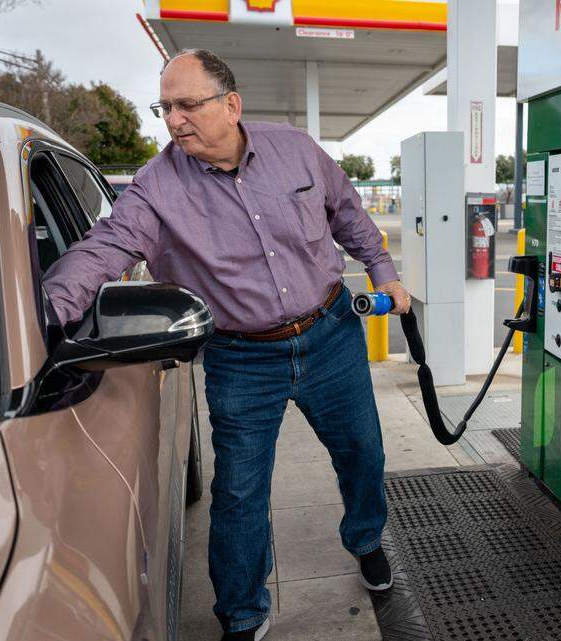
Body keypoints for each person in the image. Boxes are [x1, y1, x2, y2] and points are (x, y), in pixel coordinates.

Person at [43, 48, 410, 641]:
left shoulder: (296, 150)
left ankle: (366, 540)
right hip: (242, 358)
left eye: (187, 104)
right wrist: (44, 317)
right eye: (165, 107)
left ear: (231, 104)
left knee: (363, 453)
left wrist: (383, 272)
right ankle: (242, 613)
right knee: (239, 491)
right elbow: (101, 250)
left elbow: (348, 213)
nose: (173, 120)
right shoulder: (156, 187)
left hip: (331, 334)